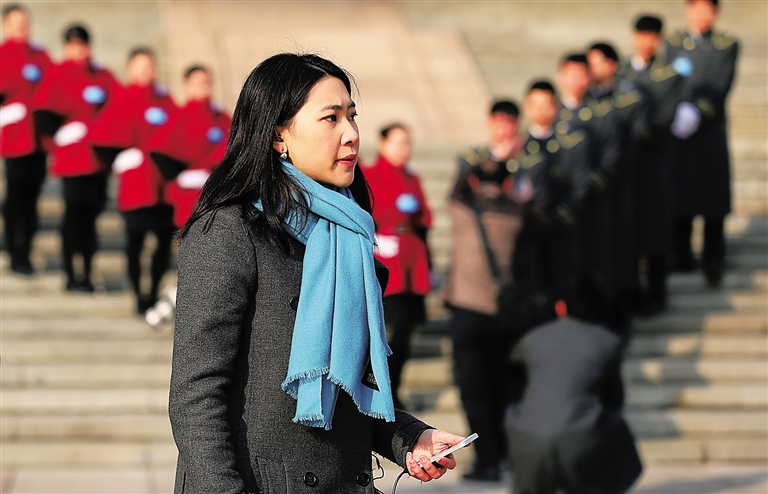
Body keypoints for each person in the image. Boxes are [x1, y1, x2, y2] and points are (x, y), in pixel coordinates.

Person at [168, 53, 464, 494]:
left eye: (352, 116)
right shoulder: (229, 230)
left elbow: (345, 387)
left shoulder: (348, 234)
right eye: (331, 118)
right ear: (278, 134)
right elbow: (195, 393)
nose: (351, 134)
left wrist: (408, 439)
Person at [442, 100, 524, 482]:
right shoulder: (516, 215)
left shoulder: (463, 211)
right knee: (501, 386)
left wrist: (488, 159)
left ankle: (487, 461)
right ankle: (504, 454)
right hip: (504, 313)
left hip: (468, 311)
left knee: (473, 390)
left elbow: (458, 184)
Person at [504, 280, 643, 494]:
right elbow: (615, 399)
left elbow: (514, 390)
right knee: (617, 427)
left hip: (525, 439)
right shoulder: (606, 341)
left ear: (561, 307)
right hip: (580, 440)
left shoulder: (531, 339)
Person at [30, 24, 118, 292]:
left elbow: (119, 105)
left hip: (97, 162)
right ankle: (71, 274)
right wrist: (60, 133)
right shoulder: (57, 74)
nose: (79, 50)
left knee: (92, 218)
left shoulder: (101, 75)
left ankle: (87, 273)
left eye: (83, 45)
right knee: (74, 216)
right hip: (72, 161)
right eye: (74, 45)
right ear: (67, 47)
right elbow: (41, 110)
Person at [88, 47, 177, 313]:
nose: (145, 73)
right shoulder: (121, 99)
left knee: (163, 242)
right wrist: (118, 159)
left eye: (149, 67)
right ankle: (139, 295)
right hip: (135, 187)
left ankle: (153, 291)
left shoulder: (164, 100)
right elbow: (101, 135)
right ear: (129, 70)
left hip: (164, 186)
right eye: (139, 68)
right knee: (135, 242)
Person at [665, 0, 739, 285]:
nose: (701, 15)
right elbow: (668, 80)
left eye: (707, 9)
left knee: (712, 197)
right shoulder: (674, 43)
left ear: (715, 12)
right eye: (697, 8)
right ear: (688, 10)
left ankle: (713, 257)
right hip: (678, 131)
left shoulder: (725, 45)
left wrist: (697, 111)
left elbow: (721, 84)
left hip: (709, 130)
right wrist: (676, 110)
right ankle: (680, 254)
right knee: (680, 193)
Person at [620, 15, 685, 314]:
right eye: (641, 34)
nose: (645, 41)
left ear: (659, 40)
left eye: (652, 36)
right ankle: (630, 291)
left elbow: (663, 117)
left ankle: (657, 293)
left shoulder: (668, 74)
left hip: (654, 162)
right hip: (624, 167)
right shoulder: (620, 72)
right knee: (628, 230)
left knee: (655, 229)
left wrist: (632, 130)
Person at [365, 123, 433, 410]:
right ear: (383, 144)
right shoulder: (369, 174)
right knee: (391, 327)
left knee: (407, 327)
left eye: (407, 143)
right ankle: (380, 387)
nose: (403, 149)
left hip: (410, 257)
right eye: (397, 143)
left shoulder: (411, 177)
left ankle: (394, 386)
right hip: (385, 256)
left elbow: (425, 216)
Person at [585, 42, 649, 329]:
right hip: (593, 190)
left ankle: (626, 302)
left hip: (623, 184)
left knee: (624, 246)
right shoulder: (584, 102)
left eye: (596, 63)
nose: (590, 70)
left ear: (611, 65)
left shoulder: (628, 98)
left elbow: (636, 139)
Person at [513, 80, 586, 304]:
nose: (541, 111)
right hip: (528, 231)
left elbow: (579, 184)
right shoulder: (517, 146)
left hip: (560, 228)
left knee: (561, 284)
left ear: (555, 107)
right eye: (535, 105)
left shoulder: (569, 144)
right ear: (526, 108)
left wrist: (561, 216)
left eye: (546, 105)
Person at [145, 65, 231, 229]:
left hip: (215, 193)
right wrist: (181, 176)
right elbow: (158, 150)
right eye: (197, 83)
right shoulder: (178, 116)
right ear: (187, 86)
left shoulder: (221, 117)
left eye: (206, 82)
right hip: (187, 197)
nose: (203, 87)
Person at [0, 4, 51, 275]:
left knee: (32, 199)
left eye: (24, 22)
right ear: (6, 25)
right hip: (13, 141)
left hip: (39, 141)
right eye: (16, 23)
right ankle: (15, 252)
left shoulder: (40, 56)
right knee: (15, 198)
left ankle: (27, 251)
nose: (21, 27)